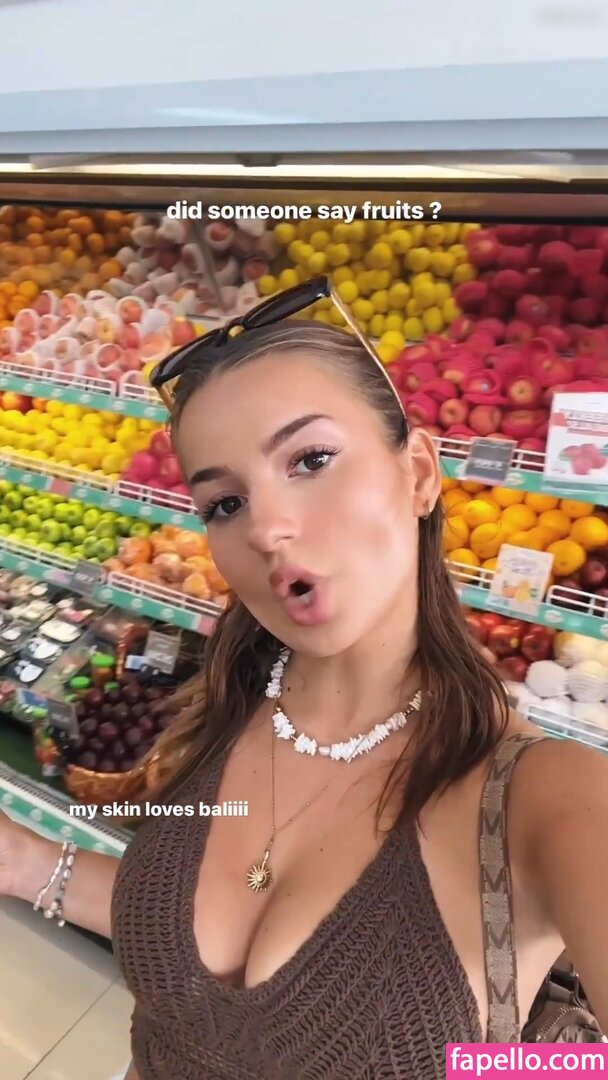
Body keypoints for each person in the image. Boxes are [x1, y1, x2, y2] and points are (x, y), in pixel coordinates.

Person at [0, 280, 607, 1080]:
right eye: (224, 503)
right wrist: (24, 863)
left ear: (419, 472)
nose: (266, 528)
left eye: (311, 460)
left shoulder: (549, 797)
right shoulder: (218, 706)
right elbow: (177, 933)